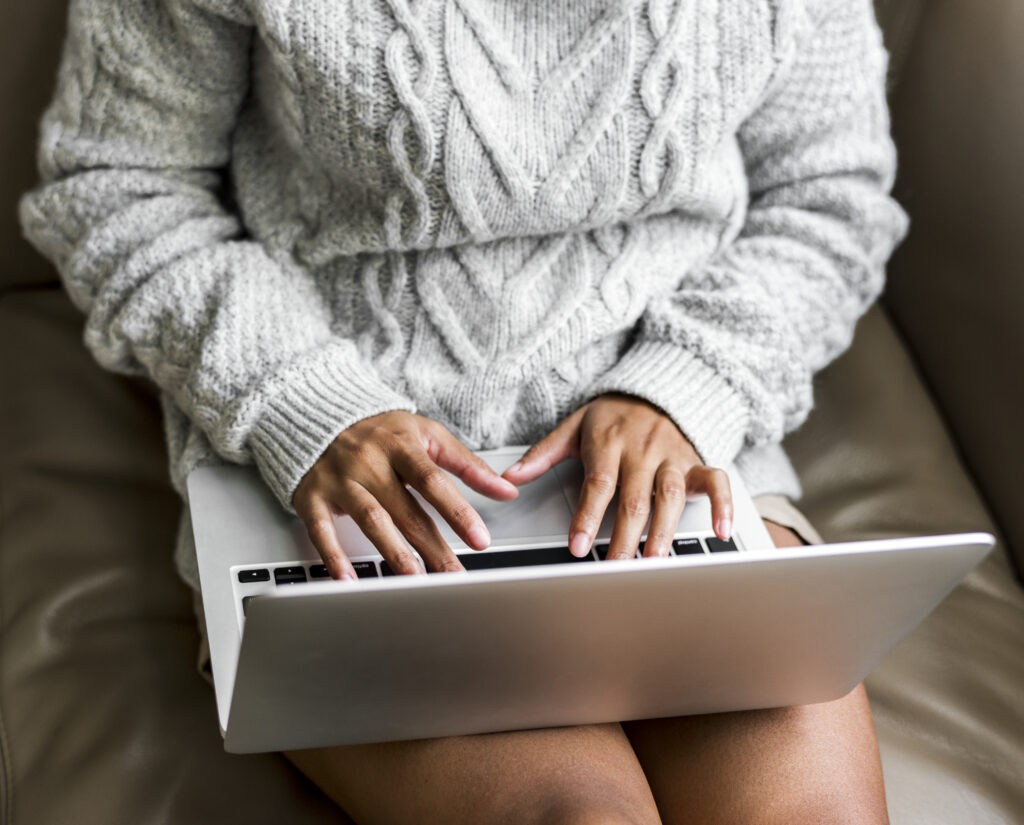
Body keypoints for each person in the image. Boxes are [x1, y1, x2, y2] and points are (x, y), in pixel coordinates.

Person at [20, 0, 907, 821]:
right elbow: (117, 181)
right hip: (353, 494)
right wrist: (309, 406)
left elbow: (832, 197)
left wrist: (686, 385)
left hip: (682, 466)